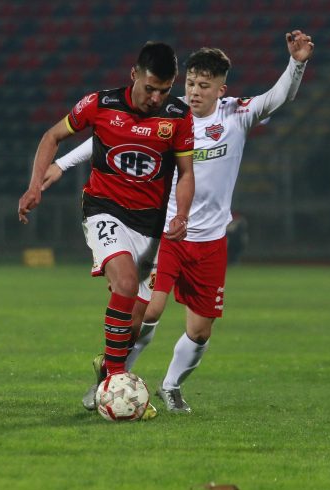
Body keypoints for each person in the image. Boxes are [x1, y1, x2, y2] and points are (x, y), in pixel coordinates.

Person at [43, 31, 314, 413]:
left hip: (210, 239)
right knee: (147, 313)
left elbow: (278, 96)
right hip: (166, 231)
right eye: (190, 84)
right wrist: (61, 163)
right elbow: (105, 136)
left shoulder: (237, 113)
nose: (195, 92)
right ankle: (110, 382)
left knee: (200, 331)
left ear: (221, 89)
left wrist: (297, 64)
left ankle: (170, 387)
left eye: (204, 85)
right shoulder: (169, 113)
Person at [18, 42, 195, 418]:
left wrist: (181, 215)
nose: (156, 98)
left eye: (164, 90)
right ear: (134, 75)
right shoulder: (100, 104)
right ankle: (116, 380)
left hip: (151, 226)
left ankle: (107, 371)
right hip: (104, 210)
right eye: (150, 88)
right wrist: (35, 186)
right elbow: (52, 136)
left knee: (136, 323)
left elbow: (186, 173)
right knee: (125, 284)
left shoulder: (178, 117)